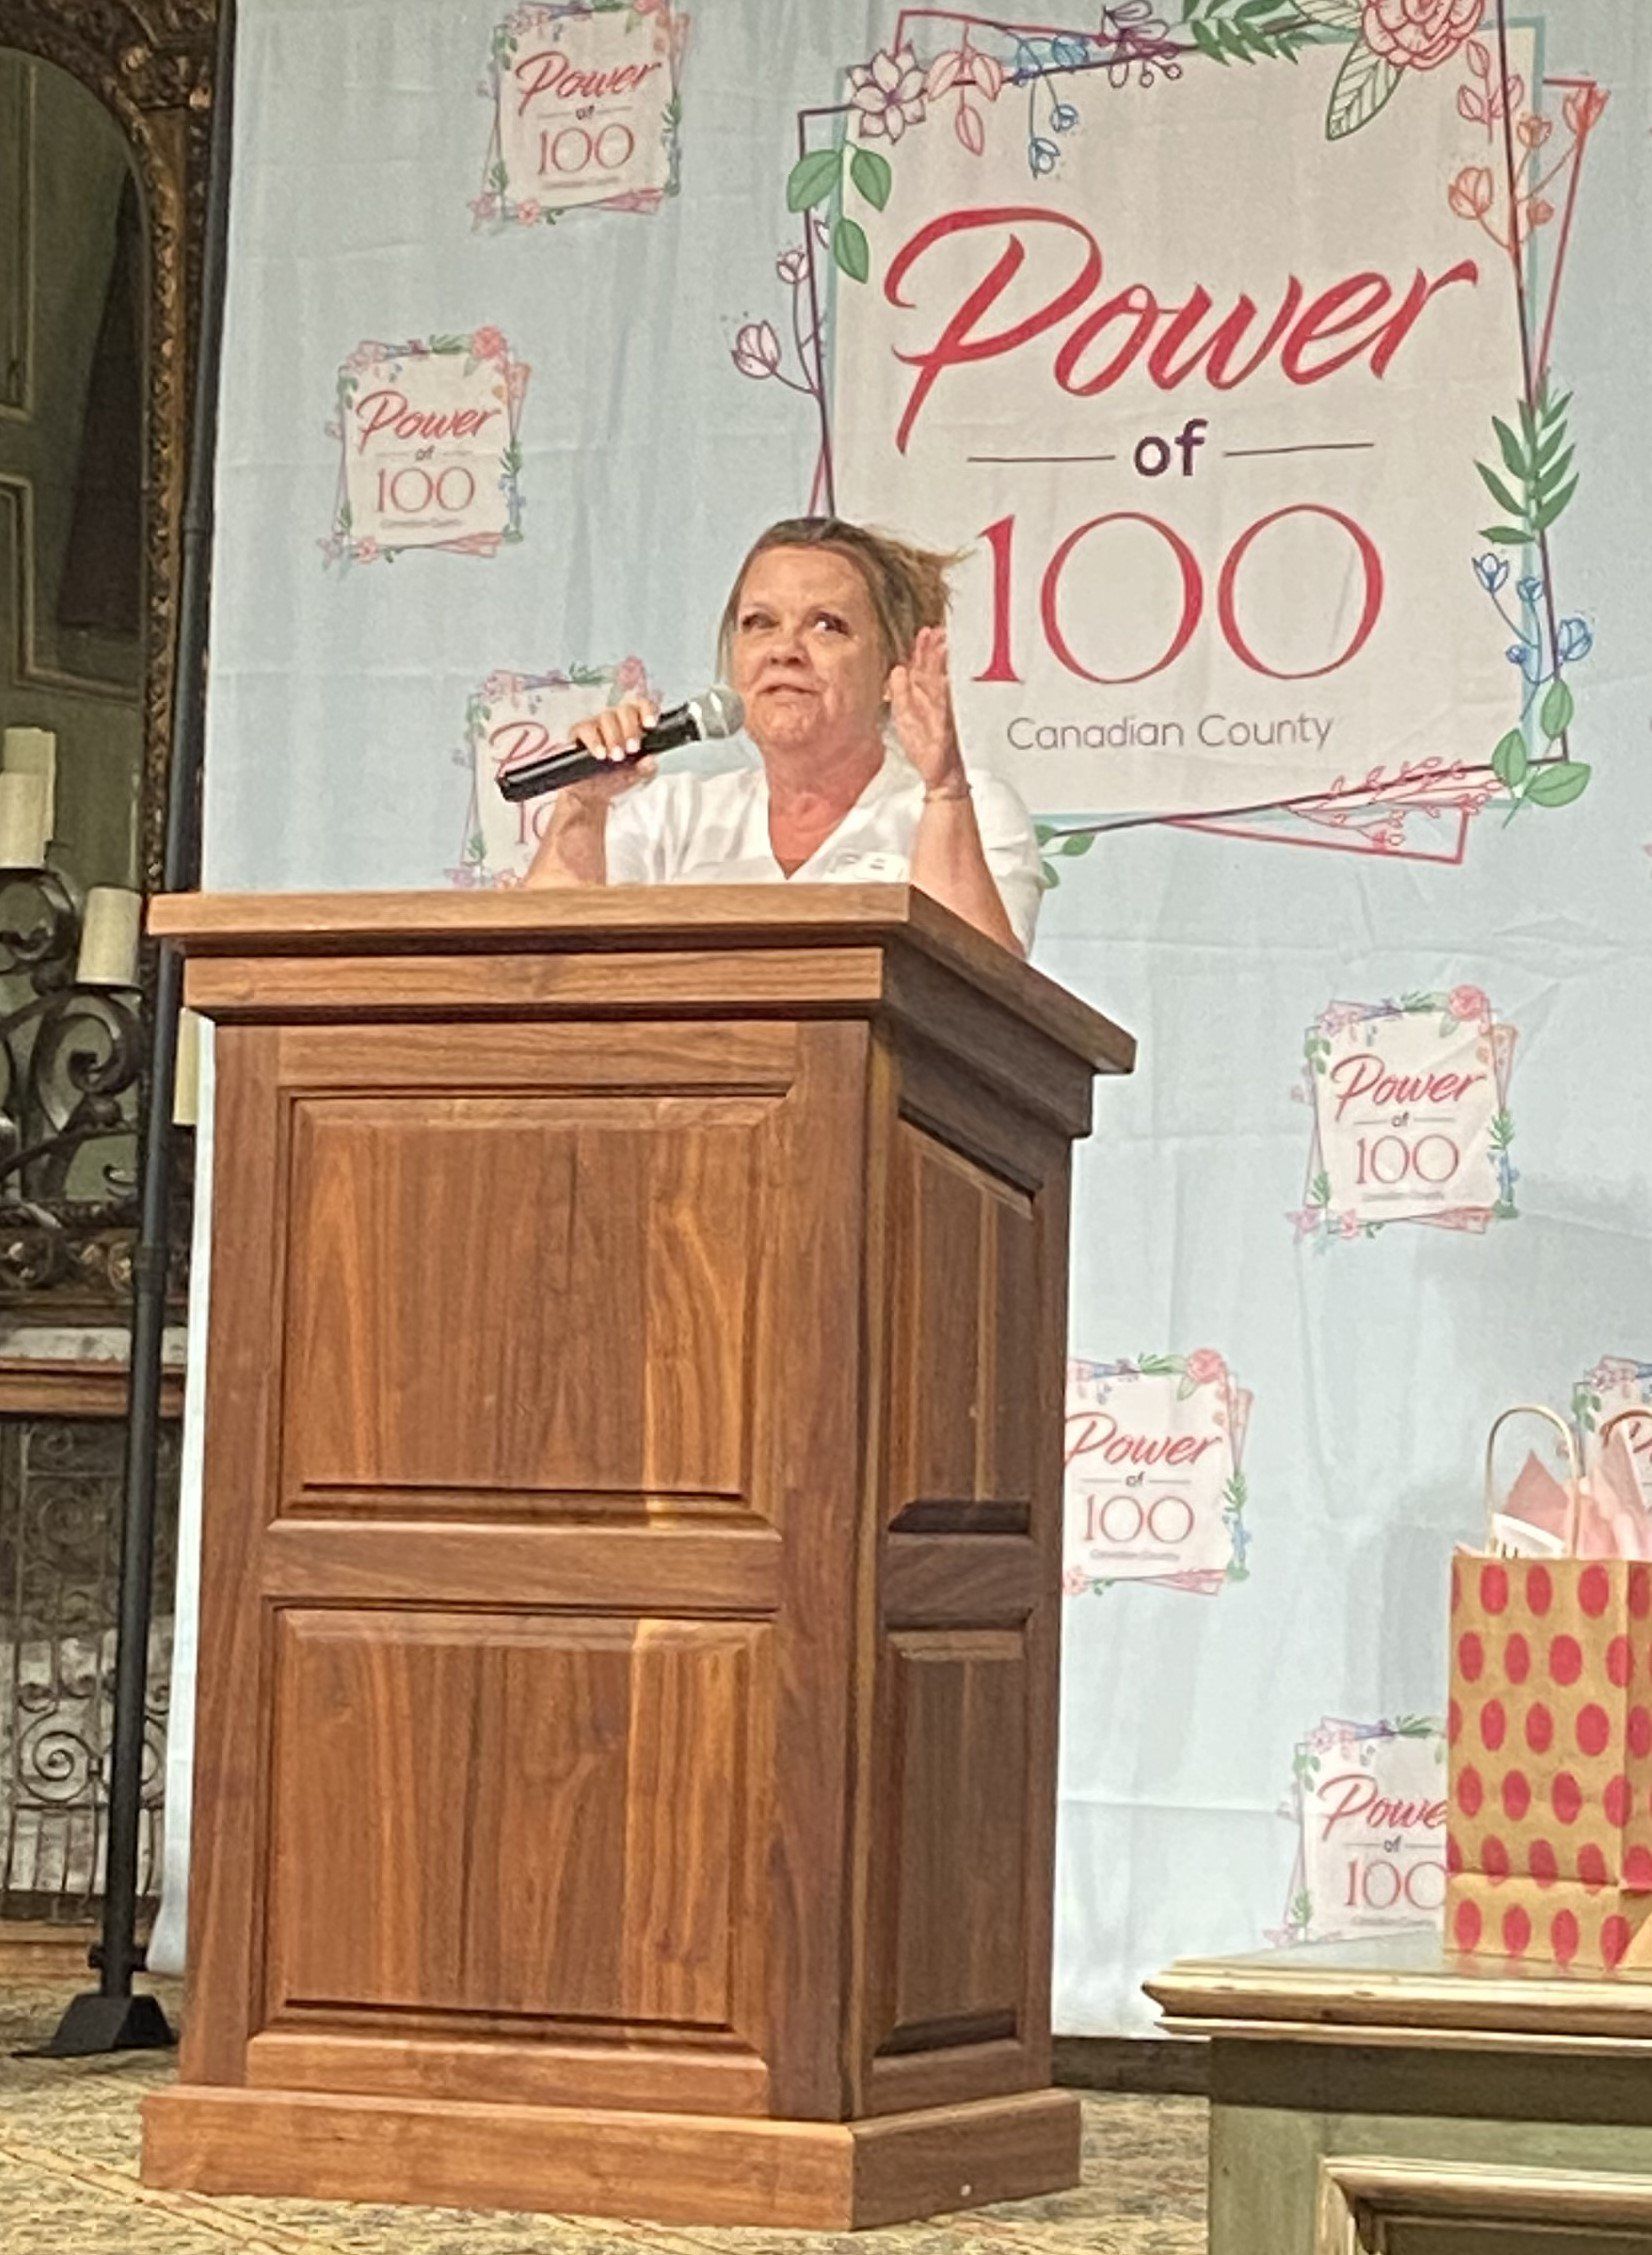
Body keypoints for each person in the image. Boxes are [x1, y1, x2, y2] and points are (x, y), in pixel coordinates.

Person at [523, 516, 1042, 955]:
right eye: (760, 623)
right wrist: (582, 806)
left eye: (826, 625)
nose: (784, 650)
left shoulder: (968, 807)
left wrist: (945, 792)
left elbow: (982, 1002)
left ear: (894, 670)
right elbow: (538, 970)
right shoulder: (671, 815)